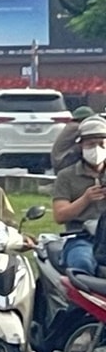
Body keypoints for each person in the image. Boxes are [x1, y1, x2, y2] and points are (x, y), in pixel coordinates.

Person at [50, 115, 106, 275]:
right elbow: (59, 215)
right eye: (90, 144)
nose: (96, 149)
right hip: (80, 238)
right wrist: (85, 199)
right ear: (81, 146)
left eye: (102, 144)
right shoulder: (66, 176)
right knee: (82, 263)